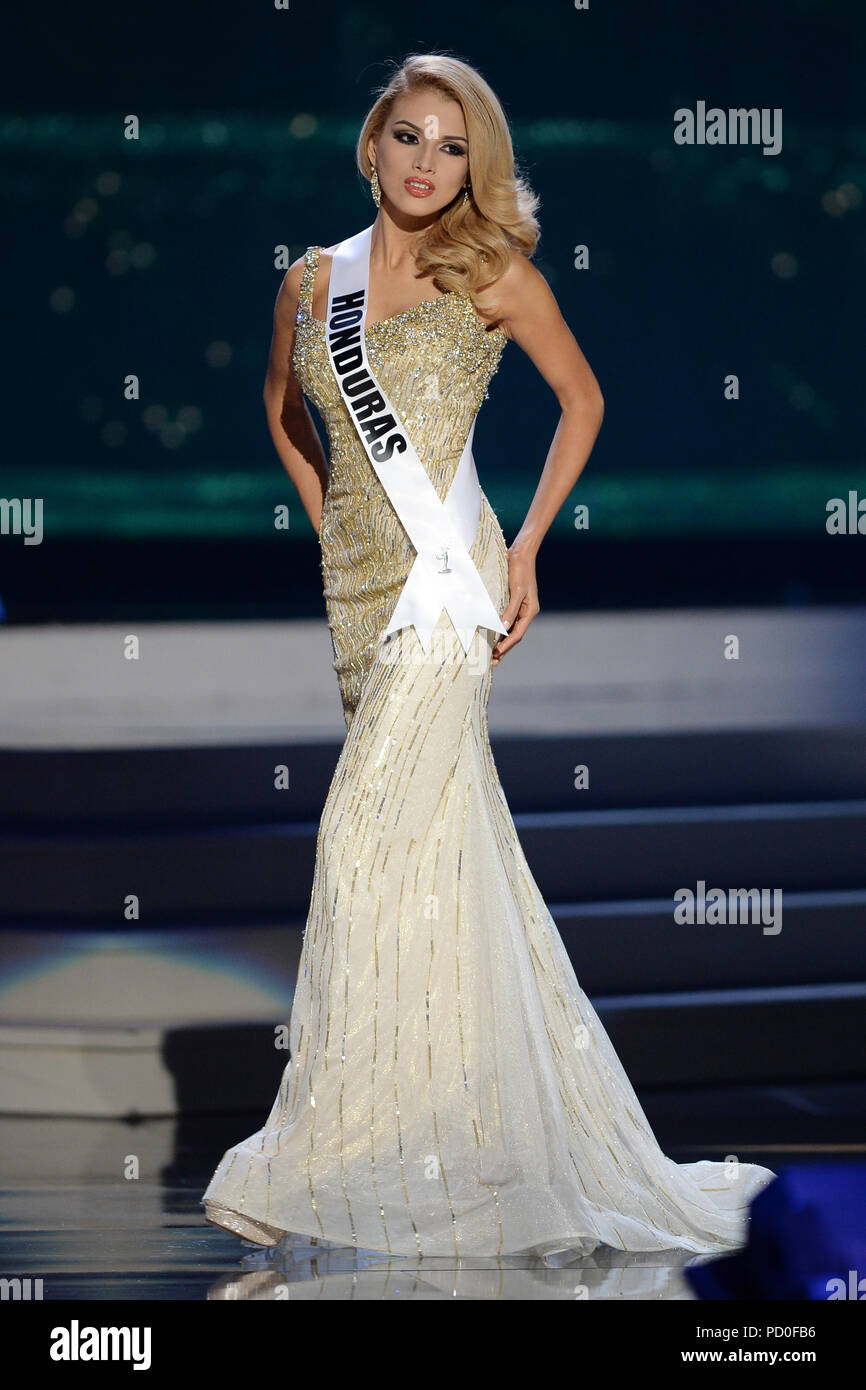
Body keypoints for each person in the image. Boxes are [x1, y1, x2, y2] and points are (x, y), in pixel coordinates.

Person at [202, 51, 776, 1262]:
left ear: (476, 164)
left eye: (450, 146)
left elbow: (583, 400)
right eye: (407, 137)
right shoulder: (313, 285)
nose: (425, 163)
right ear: (371, 147)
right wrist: (332, 529)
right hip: (359, 602)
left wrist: (523, 548)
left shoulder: (492, 274)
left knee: (358, 846)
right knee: (441, 880)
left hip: (446, 594)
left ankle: (311, 1158)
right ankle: (463, 1149)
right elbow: (279, 409)